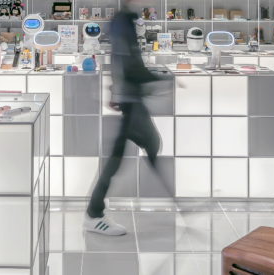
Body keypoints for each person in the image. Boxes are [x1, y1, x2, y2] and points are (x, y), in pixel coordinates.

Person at [83, 0, 164, 236]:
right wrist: (160, 80)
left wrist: (114, 88)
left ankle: (94, 212)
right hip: (131, 99)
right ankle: (93, 214)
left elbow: (119, 59)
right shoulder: (123, 20)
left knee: (130, 152)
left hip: (130, 97)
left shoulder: (123, 19)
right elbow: (130, 63)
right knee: (144, 147)